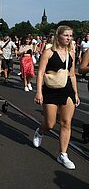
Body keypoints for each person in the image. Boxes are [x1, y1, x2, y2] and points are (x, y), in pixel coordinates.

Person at [33, 25, 80, 170]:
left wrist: (76, 93)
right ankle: (41, 130)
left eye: (71, 36)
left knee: (66, 122)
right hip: (51, 90)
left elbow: (72, 75)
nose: (69, 38)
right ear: (58, 36)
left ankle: (63, 154)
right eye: (66, 35)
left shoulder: (71, 54)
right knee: (50, 124)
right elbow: (40, 73)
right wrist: (39, 92)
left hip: (67, 91)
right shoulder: (48, 52)